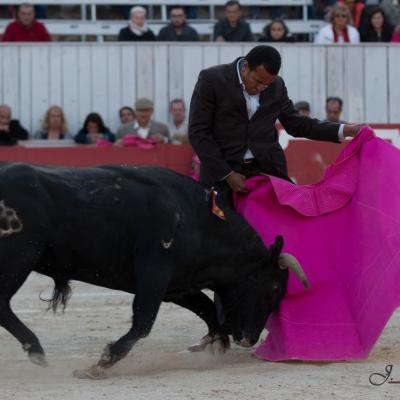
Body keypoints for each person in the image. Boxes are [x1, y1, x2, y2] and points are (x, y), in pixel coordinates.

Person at [188, 45, 362, 196]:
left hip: (266, 170)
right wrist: (226, 174)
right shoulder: (212, 79)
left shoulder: (277, 86)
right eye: (258, 81)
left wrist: (344, 130)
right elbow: (198, 132)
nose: (261, 88)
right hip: (222, 171)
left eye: (267, 85)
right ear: (245, 67)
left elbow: (297, 124)